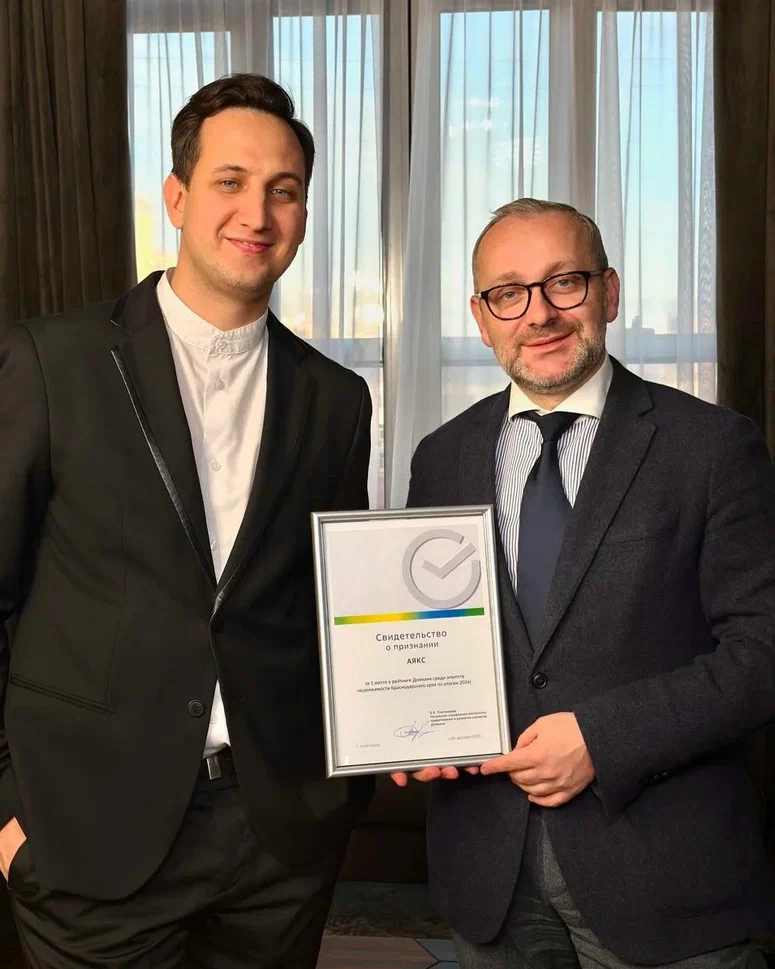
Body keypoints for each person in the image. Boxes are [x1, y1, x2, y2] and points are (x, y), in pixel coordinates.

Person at [0, 73, 373, 968]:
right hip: (85, 833)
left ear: (304, 215)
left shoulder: (337, 399)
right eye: (229, 181)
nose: (258, 212)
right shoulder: (51, 361)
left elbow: (331, 612)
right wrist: (6, 812)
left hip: (277, 841)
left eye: (284, 190)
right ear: (175, 197)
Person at [392, 198, 775, 969]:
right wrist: (407, 721)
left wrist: (603, 738)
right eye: (508, 292)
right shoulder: (440, 456)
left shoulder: (711, 447)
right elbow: (430, 631)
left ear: (609, 291)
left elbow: (762, 652)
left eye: (563, 282)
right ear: (480, 317)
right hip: (487, 872)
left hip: (664, 875)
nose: (538, 313)